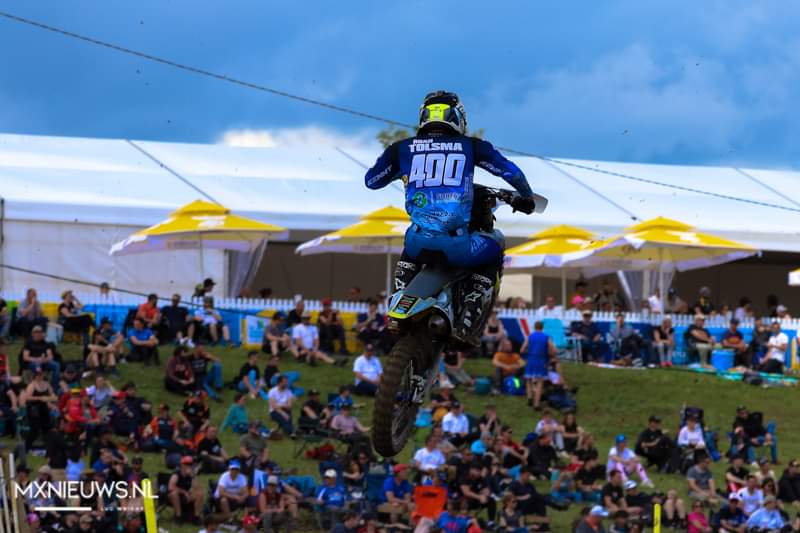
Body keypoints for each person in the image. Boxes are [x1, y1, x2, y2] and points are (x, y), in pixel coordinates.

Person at [365, 90, 535, 342]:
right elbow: (511, 173)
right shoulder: (471, 146)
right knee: (496, 242)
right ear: (457, 117)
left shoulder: (401, 148)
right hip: (457, 245)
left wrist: (404, 170)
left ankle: (400, 292)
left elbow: (372, 181)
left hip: (416, 243)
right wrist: (527, 196)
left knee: (412, 239)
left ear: (424, 116)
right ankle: (469, 313)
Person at [520, 320, 555, 409]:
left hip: (531, 360)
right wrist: (550, 354)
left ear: (534, 327)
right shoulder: (546, 337)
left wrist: (529, 351)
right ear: (542, 328)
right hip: (541, 361)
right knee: (540, 383)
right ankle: (536, 404)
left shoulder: (529, 336)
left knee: (528, 380)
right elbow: (553, 349)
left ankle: (529, 398)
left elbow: (522, 350)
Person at [167, 456, 204, 524]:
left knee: (200, 494)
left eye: (190, 464)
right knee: (173, 494)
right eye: (187, 464)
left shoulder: (191, 475)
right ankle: (178, 517)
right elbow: (171, 487)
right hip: (177, 495)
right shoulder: (176, 474)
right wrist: (184, 492)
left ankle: (196, 517)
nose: (189, 466)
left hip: (187, 495)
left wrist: (193, 476)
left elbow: (197, 488)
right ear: (182, 465)